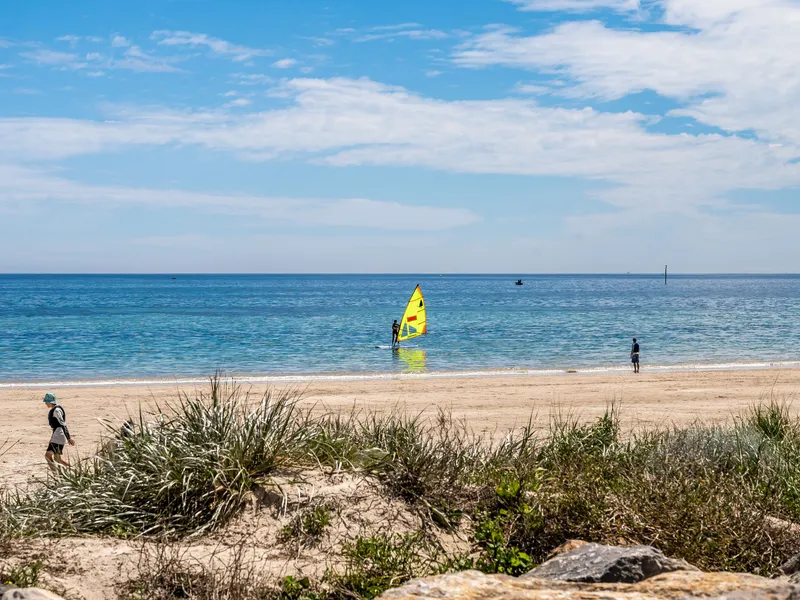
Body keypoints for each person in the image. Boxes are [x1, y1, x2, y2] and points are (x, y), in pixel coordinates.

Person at [43, 393, 75, 472]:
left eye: (46, 402)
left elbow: (62, 424)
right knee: (57, 459)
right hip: (57, 435)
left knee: (48, 456)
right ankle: (74, 470)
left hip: (59, 435)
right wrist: (52, 437)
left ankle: (55, 474)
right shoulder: (56, 409)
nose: (46, 403)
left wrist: (69, 438)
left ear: (50, 402)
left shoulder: (56, 410)